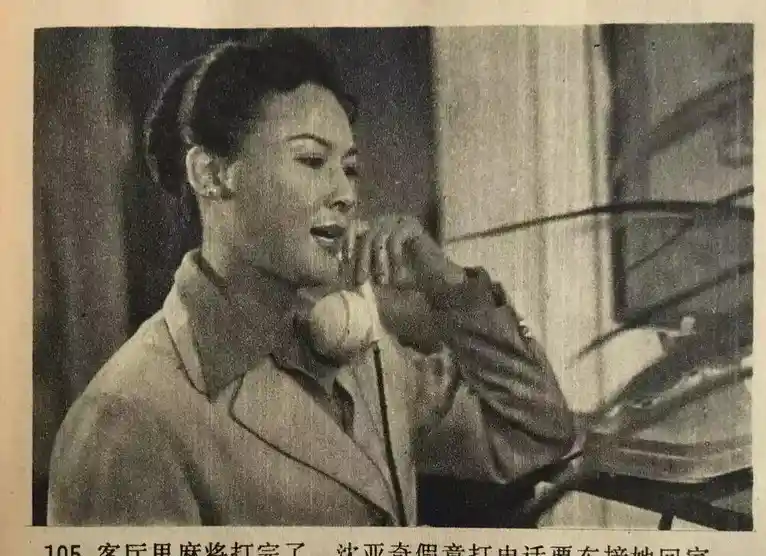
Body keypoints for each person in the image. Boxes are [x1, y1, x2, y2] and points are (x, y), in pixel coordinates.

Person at [47, 34, 576, 526]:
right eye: (311, 159)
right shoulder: (125, 418)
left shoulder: (368, 359)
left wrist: (449, 287)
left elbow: (537, 433)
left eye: (349, 168)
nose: (345, 194)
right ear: (211, 175)